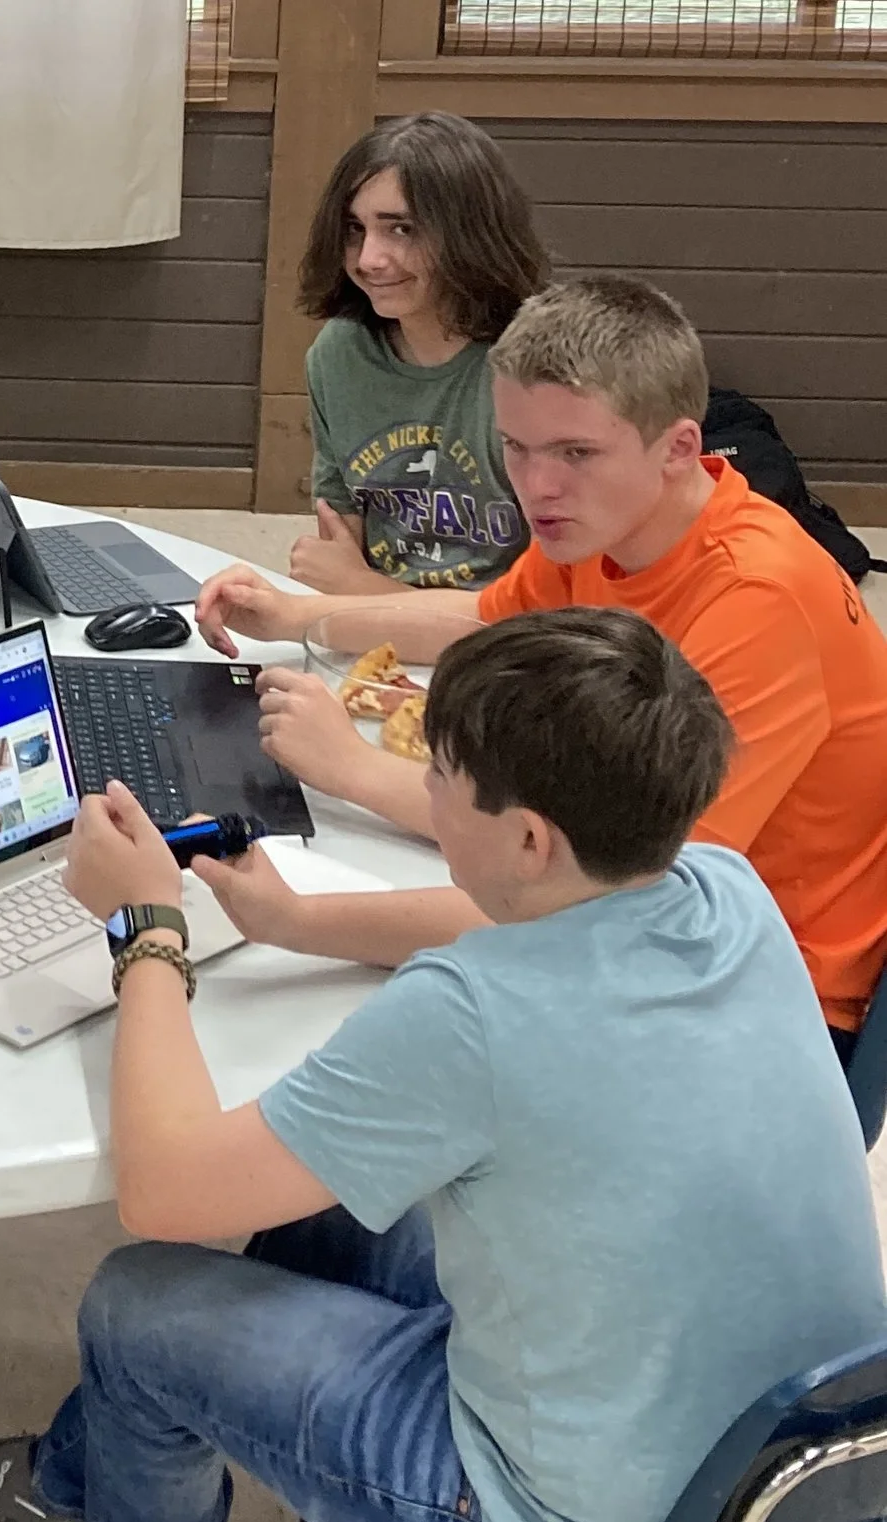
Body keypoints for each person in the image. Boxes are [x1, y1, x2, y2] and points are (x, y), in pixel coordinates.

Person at [0, 609, 887, 1522]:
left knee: (133, 1300)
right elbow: (507, 927)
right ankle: (69, 1482)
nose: (421, 787)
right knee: (328, 1198)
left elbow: (161, 1191)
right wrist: (295, 923)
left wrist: (146, 927)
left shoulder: (470, 1020)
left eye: (441, 775)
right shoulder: (724, 890)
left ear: (529, 838)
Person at [194, 275, 887, 1042]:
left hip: (774, 992)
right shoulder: (611, 522)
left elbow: (610, 903)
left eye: (576, 452)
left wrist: (311, 876)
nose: (537, 486)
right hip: (658, 907)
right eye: (516, 448)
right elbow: (488, 618)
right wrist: (305, 615)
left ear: (678, 449)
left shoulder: (759, 600)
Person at [278, 112, 548, 597]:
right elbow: (340, 545)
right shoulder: (338, 354)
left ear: (471, 233)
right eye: (355, 230)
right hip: (379, 628)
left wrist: (368, 594)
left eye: (400, 229)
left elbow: (561, 609)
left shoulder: (544, 362)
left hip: (512, 649)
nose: (368, 260)